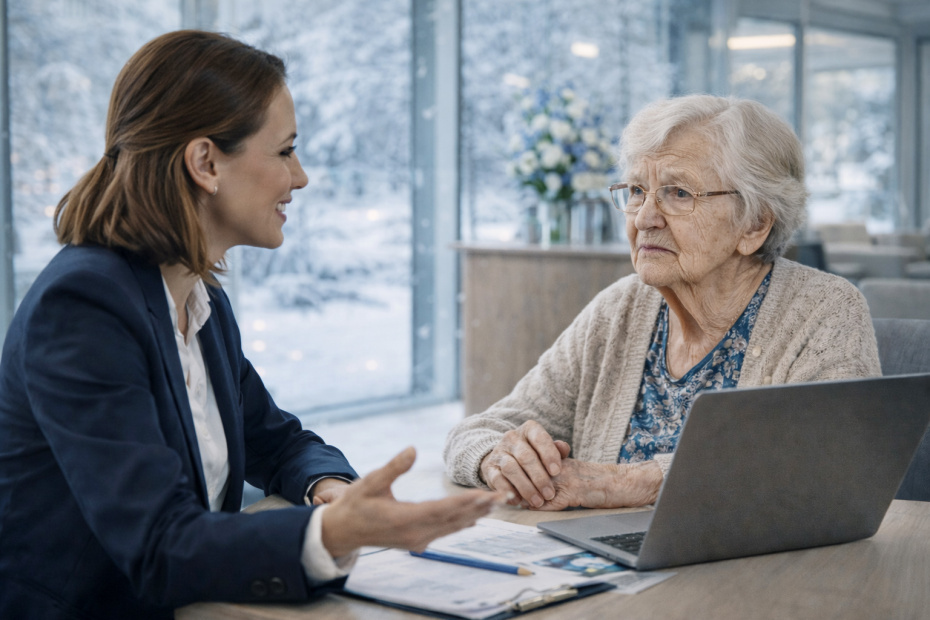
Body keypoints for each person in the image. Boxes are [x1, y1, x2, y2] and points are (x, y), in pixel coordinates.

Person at [0, 30, 497, 619]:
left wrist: (331, 492)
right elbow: (158, 544)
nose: (302, 176)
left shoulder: (196, 297)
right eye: (285, 151)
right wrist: (331, 534)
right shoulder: (84, 306)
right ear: (206, 162)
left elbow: (276, 440)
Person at [444, 94, 881, 511]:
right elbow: (480, 430)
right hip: (607, 570)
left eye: (678, 193)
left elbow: (829, 469)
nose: (645, 218)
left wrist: (637, 482)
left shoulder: (825, 310)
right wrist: (498, 458)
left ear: (755, 224)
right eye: (636, 190)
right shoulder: (620, 309)